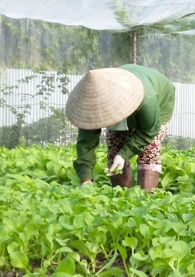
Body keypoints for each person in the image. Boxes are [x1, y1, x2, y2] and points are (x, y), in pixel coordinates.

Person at [66, 64, 175, 193]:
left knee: (149, 150)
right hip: (128, 95)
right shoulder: (90, 106)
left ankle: (147, 196)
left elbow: (148, 131)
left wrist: (124, 154)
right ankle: (120, 195)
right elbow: (86, 144)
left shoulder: (147, 98)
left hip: (159, 100)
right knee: (115, 145)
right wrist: (86, 180)